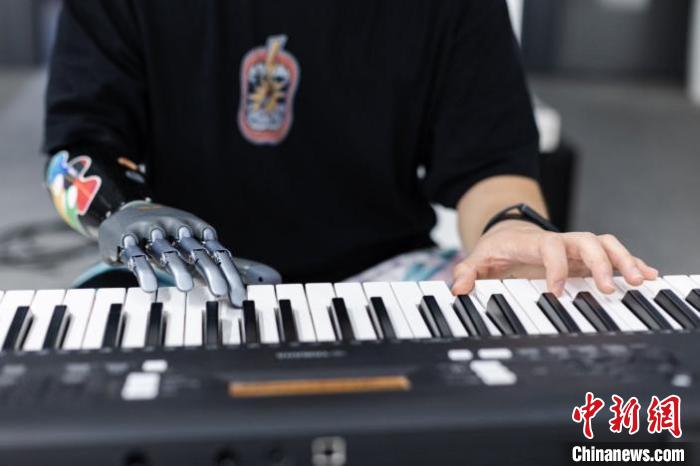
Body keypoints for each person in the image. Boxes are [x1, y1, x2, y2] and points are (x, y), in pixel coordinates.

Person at [43, 0, 657, 307]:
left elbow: (491, 165)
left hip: (382, 272)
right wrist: (124, 211)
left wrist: (511, 231)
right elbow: (81, 147)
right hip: (184, 272)